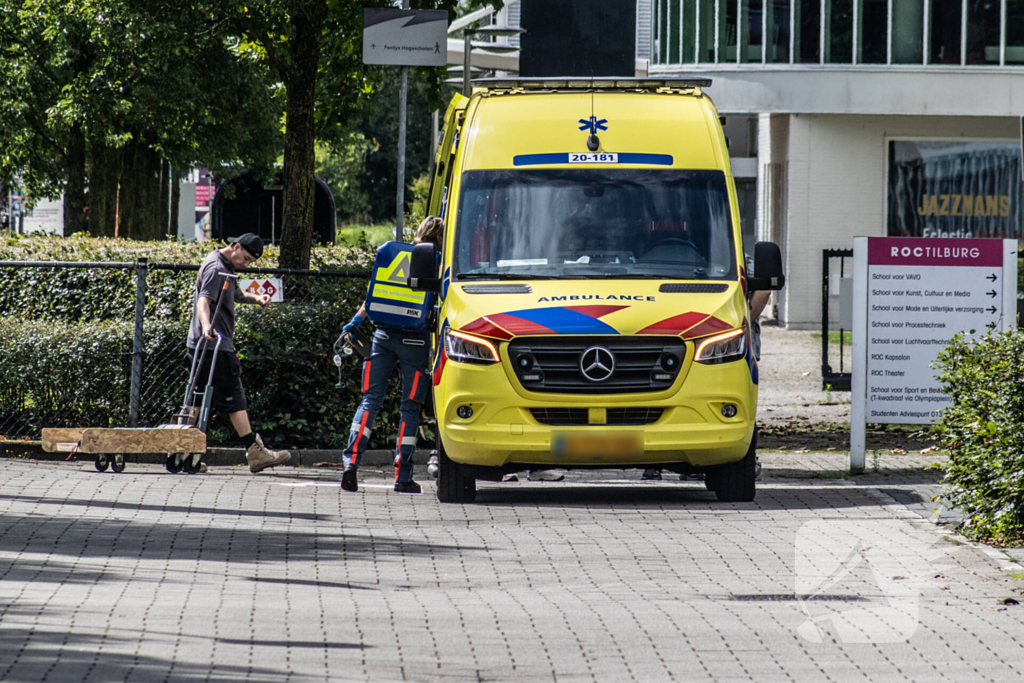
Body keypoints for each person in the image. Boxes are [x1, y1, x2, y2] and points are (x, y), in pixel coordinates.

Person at [340, 217, 444, 494]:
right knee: (410, 407)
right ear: (440, 238)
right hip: (415, 341)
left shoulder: (395, 254)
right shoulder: (438, 262)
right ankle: (402, 476)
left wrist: (354, 322)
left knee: (370, 400)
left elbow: (372, 298)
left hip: (382, 336)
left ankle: (351, 463)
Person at [186, 233, 291, 473]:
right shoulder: (216, 268)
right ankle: (255, 453)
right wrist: (206, 326)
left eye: (250, 262)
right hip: (214, 345)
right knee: (234, 398)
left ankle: (182, 452)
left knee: (197, 400)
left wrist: (257, 298)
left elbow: (236, 295)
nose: (246, 264)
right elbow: (203, 301)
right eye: (245, 258)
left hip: (203, 344)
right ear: (236, 247)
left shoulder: (226, 266)